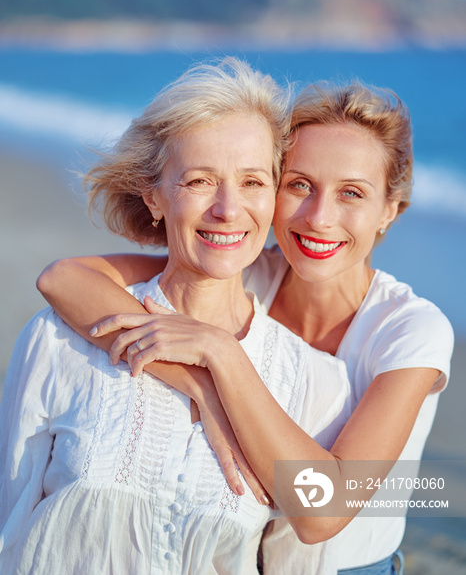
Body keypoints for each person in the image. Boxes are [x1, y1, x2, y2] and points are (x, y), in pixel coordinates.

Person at [36, 79, 454, 574]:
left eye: (351, 193)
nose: (320, 218)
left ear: (389, 209)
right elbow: (65, 278)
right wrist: (202, 389)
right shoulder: (246, 272)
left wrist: (221, 354)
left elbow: (324, 511)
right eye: (300, 185)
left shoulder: (411, 330)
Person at [0, 59, 350, 575]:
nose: (228, 209)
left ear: (274, 194)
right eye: (199, 181)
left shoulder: (314, 381)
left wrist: (221, 354)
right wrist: (204, 385)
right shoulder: (58, 339)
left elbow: (300, 554)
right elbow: (9, 522)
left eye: (253, 181)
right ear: (154, 196)